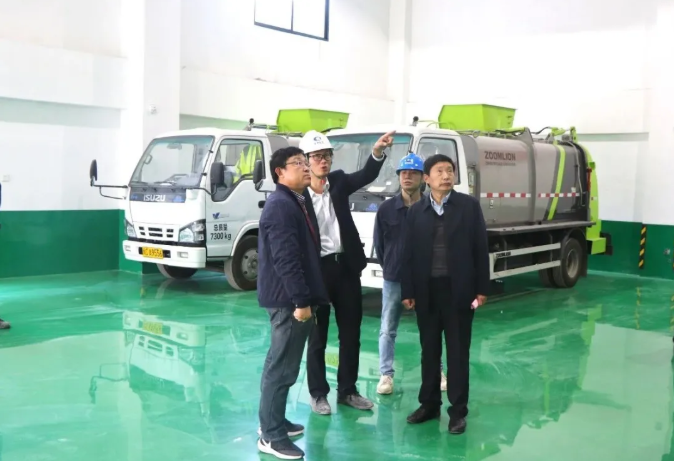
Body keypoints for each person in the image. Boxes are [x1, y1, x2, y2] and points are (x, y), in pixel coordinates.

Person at [299, 129, 393, 414]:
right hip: (317, 272)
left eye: (327, 155)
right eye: (317, 156)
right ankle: (318, 394)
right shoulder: (298, 195)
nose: (323, 161)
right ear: (306, 160)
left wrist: (377, 152)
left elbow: (366, 174)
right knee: (317, 337)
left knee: (351, 334)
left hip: (346, 268)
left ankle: (348, 391)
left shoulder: (338, 182)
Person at [401, 153, 490, 435]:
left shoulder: (468, 207)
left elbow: (480, 248)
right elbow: (408, 254)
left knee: (458, 352)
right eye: (439, 171)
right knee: (429, 351)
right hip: (426, 292)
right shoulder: (416, 211)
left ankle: (457, 411)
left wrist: (482, 288)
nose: (446, 175)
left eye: (450, 170)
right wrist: (408, 290)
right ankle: (429, 405)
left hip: (459, 291)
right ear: (426, 179)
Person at [256, 146, 330, 460]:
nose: (305, 167)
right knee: (283, 366)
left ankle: (274, 421)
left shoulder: (295, 201)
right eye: (297, 163)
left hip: (290, 297)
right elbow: (286, 258)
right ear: (280, 172)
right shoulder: (280, 206)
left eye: (304, 162)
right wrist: (301, 300)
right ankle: (271, 436)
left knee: (282, 363)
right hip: (288, 300)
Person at [373, 153, 448, 395]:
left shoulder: (432, 208)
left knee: (431, 327)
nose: (407, 177)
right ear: (398, 177)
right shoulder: (386, 209)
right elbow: (380, 245)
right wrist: (391, 267)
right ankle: (386, 375)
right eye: (403, 173)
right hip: (394, 278)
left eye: (413, 173)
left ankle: (437, 372)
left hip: (426, 278)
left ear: (423, 178)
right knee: (387, 328)